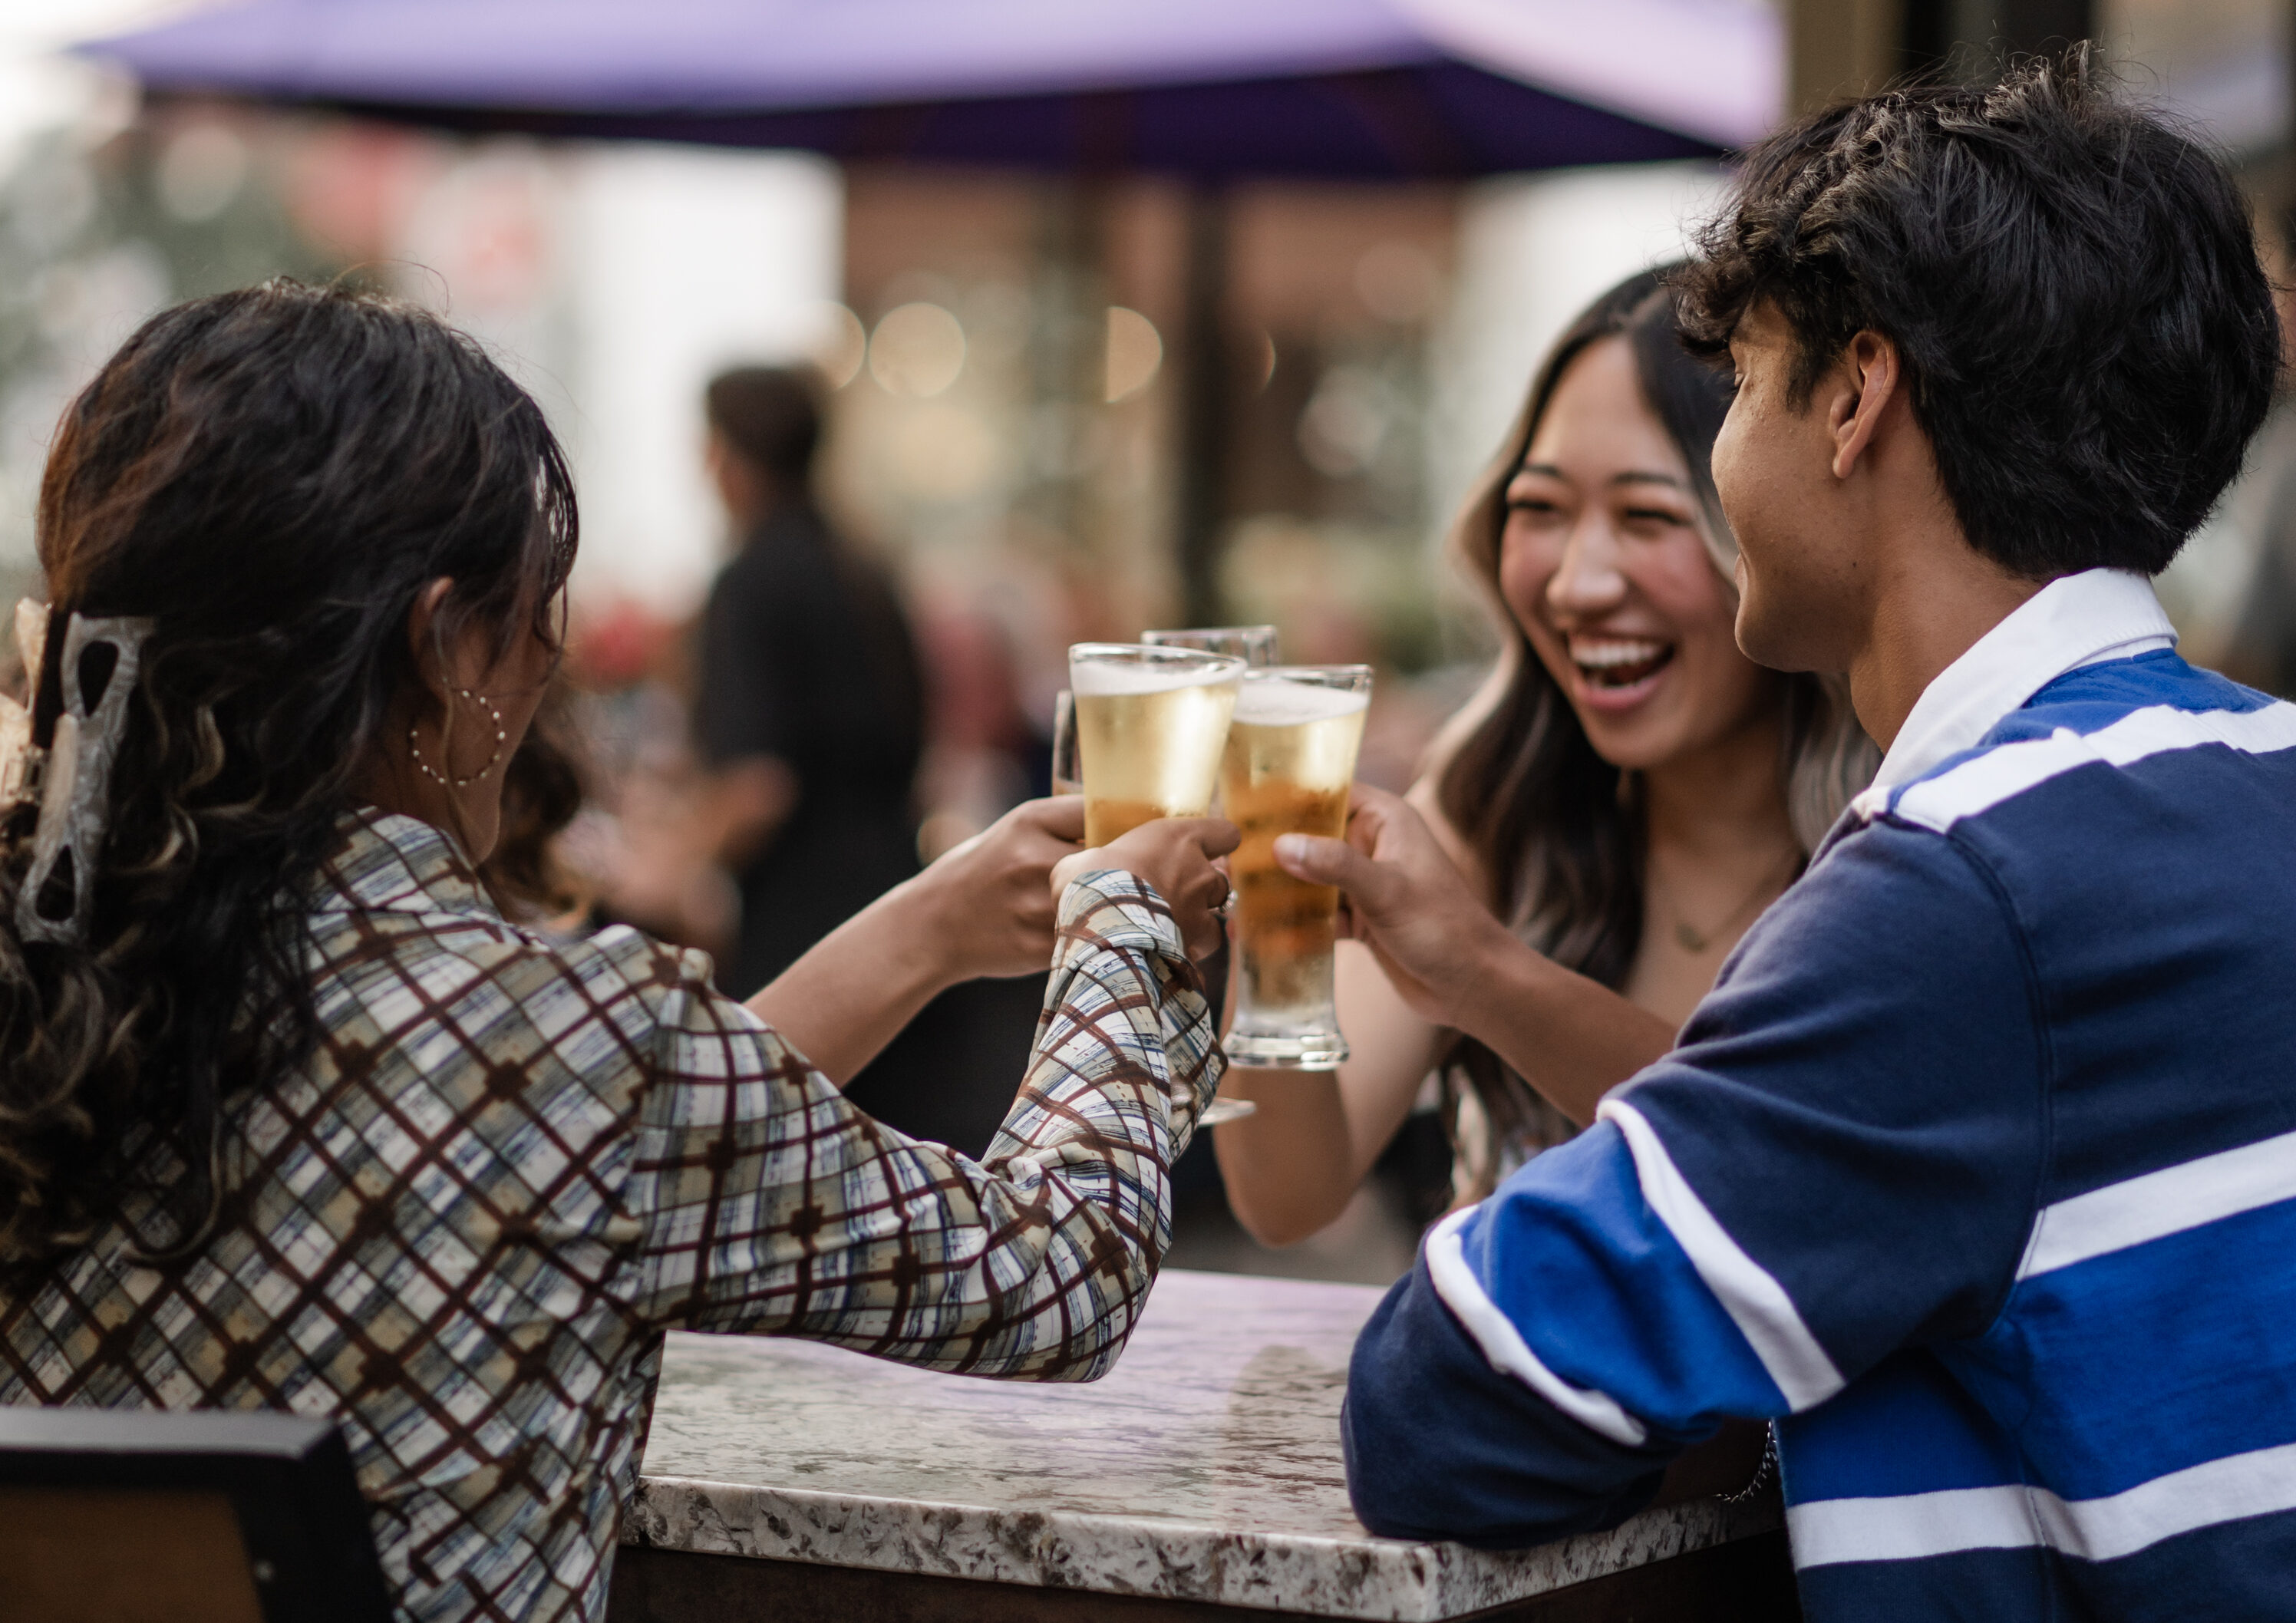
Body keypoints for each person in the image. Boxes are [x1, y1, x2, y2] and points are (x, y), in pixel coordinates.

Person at [0, 279, 1237, 1623]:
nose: (554, 654)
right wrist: (1125, 926)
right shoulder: (563, 1053)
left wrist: (921, 933)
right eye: (540, 605)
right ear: (440, 641)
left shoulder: (60, 964)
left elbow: (590, 1149)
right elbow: (1061, 1277)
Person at [1323, 54, 2294, 1620]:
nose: (1721, 461)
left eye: (1742, 386)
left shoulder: (1957, 890)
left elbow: (1441, 1399)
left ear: (1853, 396)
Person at [1213, 269, 1873, 1244]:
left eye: (1649, 516)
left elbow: (1787, 1171)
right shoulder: (1491, 807)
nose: (1577, 583)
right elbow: (1286, 1197)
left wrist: (1484, 975)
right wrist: (1273, 928)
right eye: (1541, 509)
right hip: (1501, 1394)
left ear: (1775, 536)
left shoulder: (1897, 841)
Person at [693, 365, 925, 998]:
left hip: (802, 924)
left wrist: (678, 869)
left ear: (726, 457)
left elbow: (757, 788)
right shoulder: (866, 571)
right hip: (894, 901)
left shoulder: (750, 582)